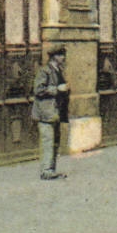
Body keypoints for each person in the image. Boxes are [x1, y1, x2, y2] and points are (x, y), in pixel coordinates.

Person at [31, 46, 71, 180]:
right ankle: (46, 170)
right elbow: (38, 89)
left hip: (56, 113)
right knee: (47, 141)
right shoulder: (44, 71)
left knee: (54, 142)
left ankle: (51, 169)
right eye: (61, 55)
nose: (64, 58)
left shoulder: (59, 70)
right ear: (54, 57)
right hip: (45, 113)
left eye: (64, 55)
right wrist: (57, 89)